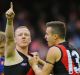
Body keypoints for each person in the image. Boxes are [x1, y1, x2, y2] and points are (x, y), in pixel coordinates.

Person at [4, 2, 35, 75]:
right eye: (20, 35)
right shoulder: (11, 54)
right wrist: (9, 21)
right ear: (15, 40)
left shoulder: (33, 58)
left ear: (30, 39)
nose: (23, 36)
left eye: (26, 35)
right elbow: (9, 39)